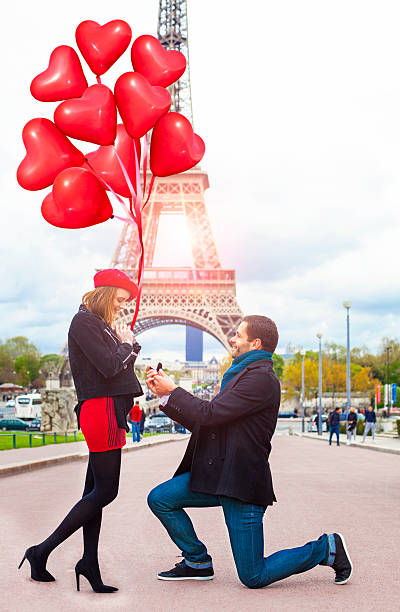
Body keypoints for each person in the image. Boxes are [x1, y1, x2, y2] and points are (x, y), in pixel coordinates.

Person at [146, 315, 352, 588]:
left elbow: (209, 414)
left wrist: (174, 390)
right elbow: (208, 423)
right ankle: (197, 560)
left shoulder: (261, 379)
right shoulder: (241, 375)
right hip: (218, 474)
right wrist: (166, 396)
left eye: (238, 335)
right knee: (160, 499)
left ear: (255, 343)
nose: (232, 339)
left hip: (241, 482)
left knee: (253, 576)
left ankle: (326, 548)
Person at [19, 269, 143, 593]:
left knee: (94, 493)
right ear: (104, 294)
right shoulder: (84, 322)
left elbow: (116, 366)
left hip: (108, 410)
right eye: (118, 300)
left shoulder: (98, 325)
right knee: (106, 491)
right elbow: (109, 365)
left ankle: (89, 562)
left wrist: (127, 343)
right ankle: (40, 551)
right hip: (100, 409)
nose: (120, 308)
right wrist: (127, 342)